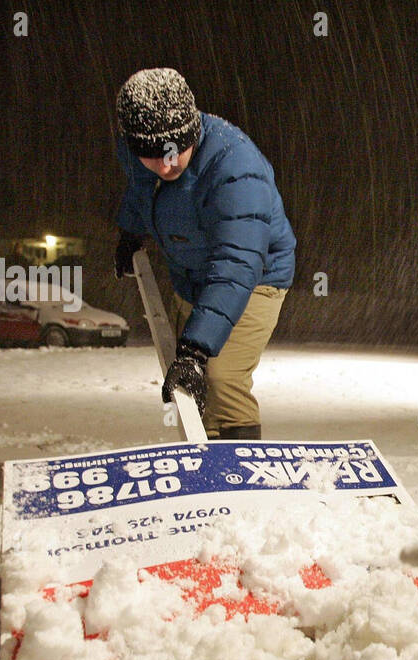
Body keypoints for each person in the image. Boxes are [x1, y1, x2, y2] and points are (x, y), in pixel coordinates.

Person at [113, 67, 295, 440]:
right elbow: (140, 190)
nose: (166, 165)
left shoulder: (235, 168)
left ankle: (240, 478)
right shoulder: (143, 153)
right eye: (151, 156)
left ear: (193, 131)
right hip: (191, 276)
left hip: (254, 276)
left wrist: (197, 348)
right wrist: (130, 232)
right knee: (188, 385)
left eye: (175, 151)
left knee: (220, 377)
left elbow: (237, 261)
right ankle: (204, 465)